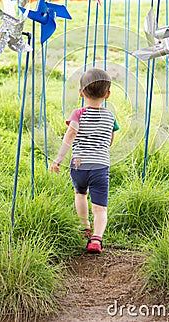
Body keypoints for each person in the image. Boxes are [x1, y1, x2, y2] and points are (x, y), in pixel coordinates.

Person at [50, 68, 119, 253]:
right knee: (100, 208)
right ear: (108, 94)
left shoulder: (77, 113)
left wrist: (58, 159)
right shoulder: (111, 117)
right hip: (100, 167)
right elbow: (109, 140)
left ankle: (84, 227)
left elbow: (70, 134)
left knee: (80, 194)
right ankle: (96, 239)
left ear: (81, 93)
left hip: (79, 166)